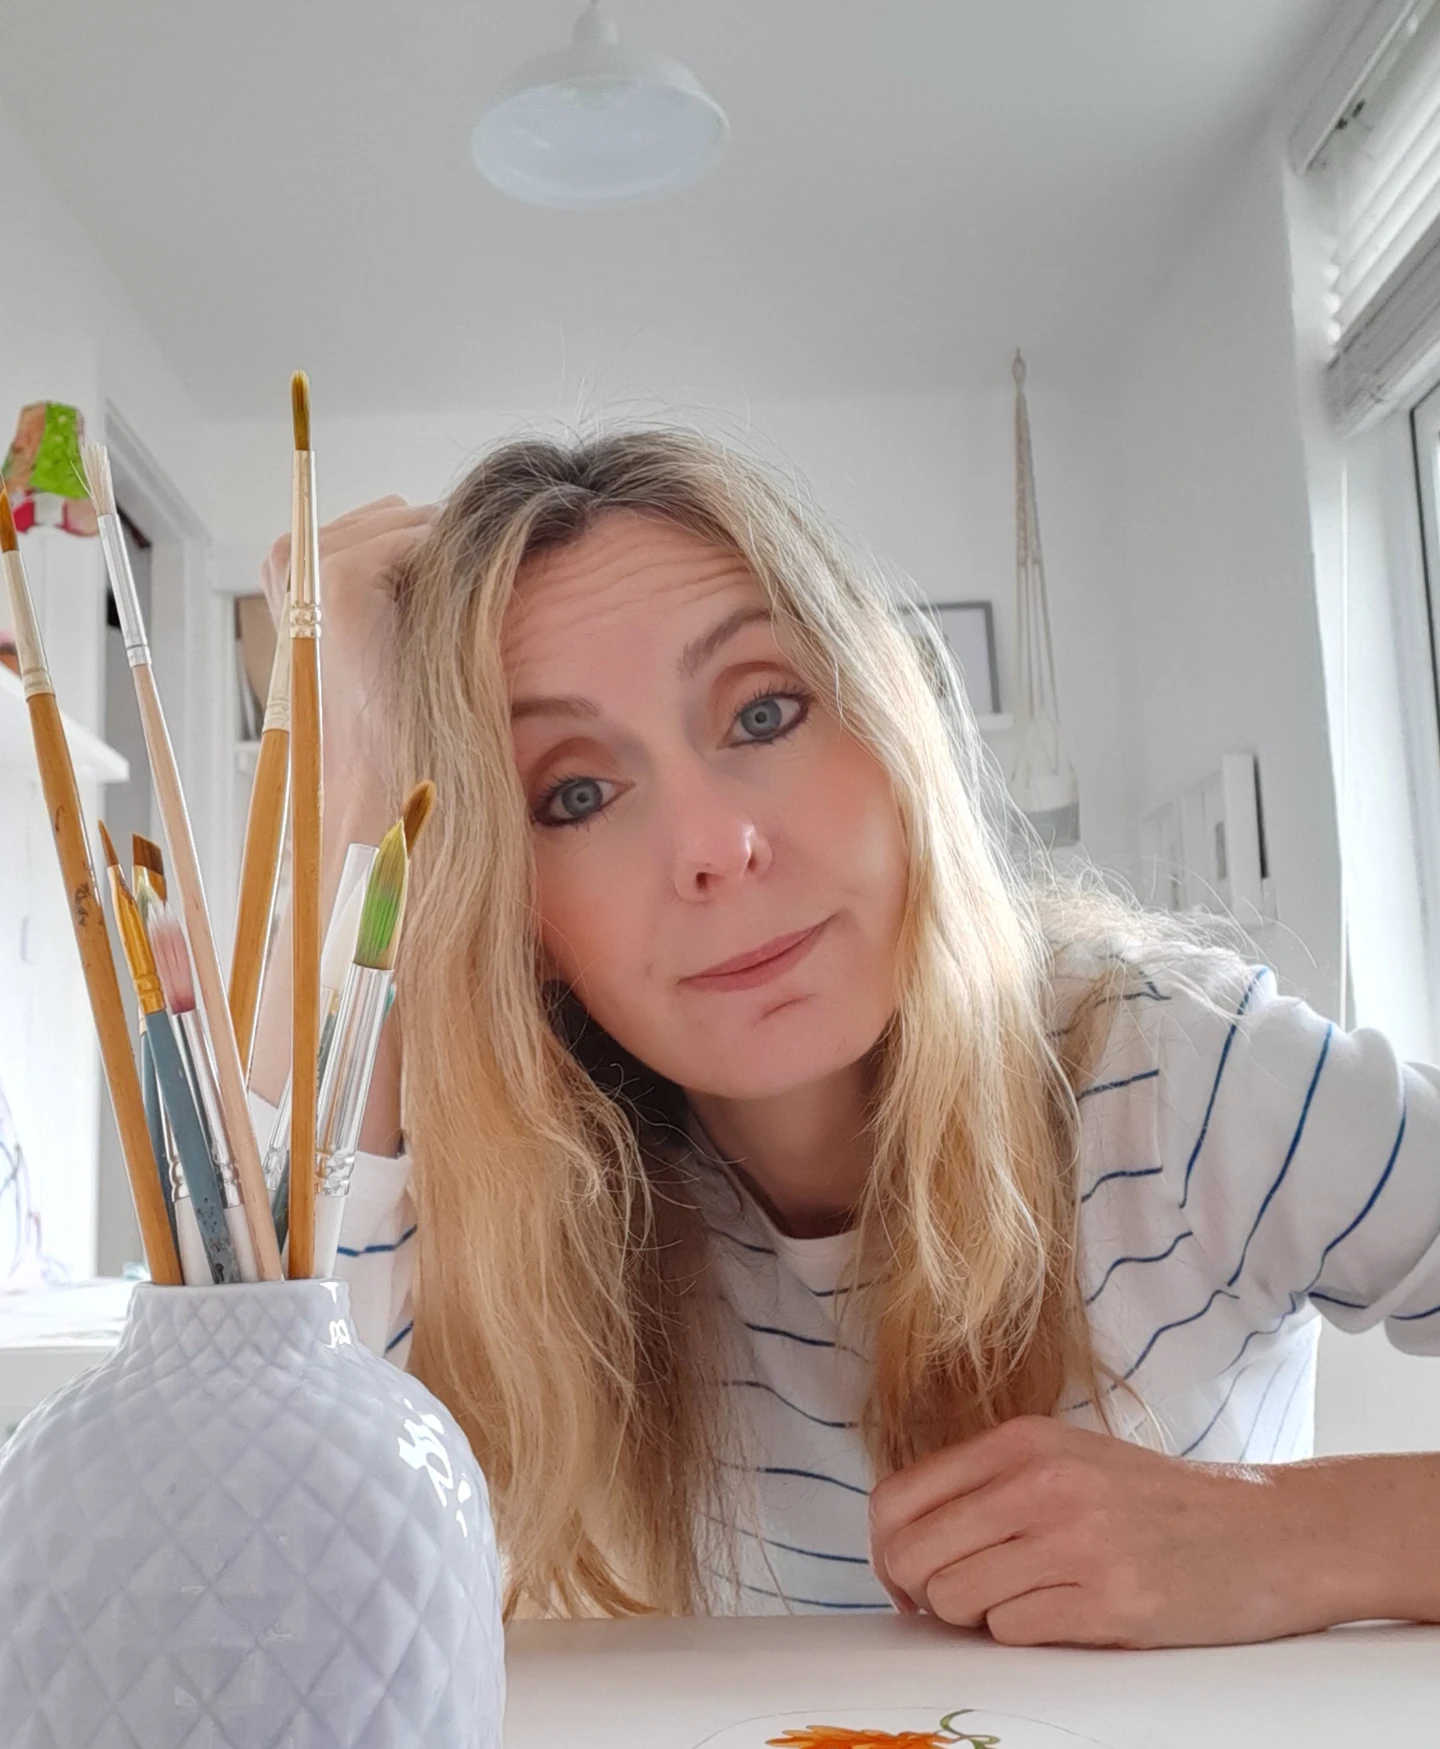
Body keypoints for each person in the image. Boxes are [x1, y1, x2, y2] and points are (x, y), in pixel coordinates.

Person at [250, 428, 1440, 1645]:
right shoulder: (527, 1217)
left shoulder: (1185, 1075)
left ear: (893, 734)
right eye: (576, 795)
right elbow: (263, 1566)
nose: (715, 847)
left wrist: (1289, 1535)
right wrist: (354, 794)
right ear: (522, 917)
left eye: (764, 713)